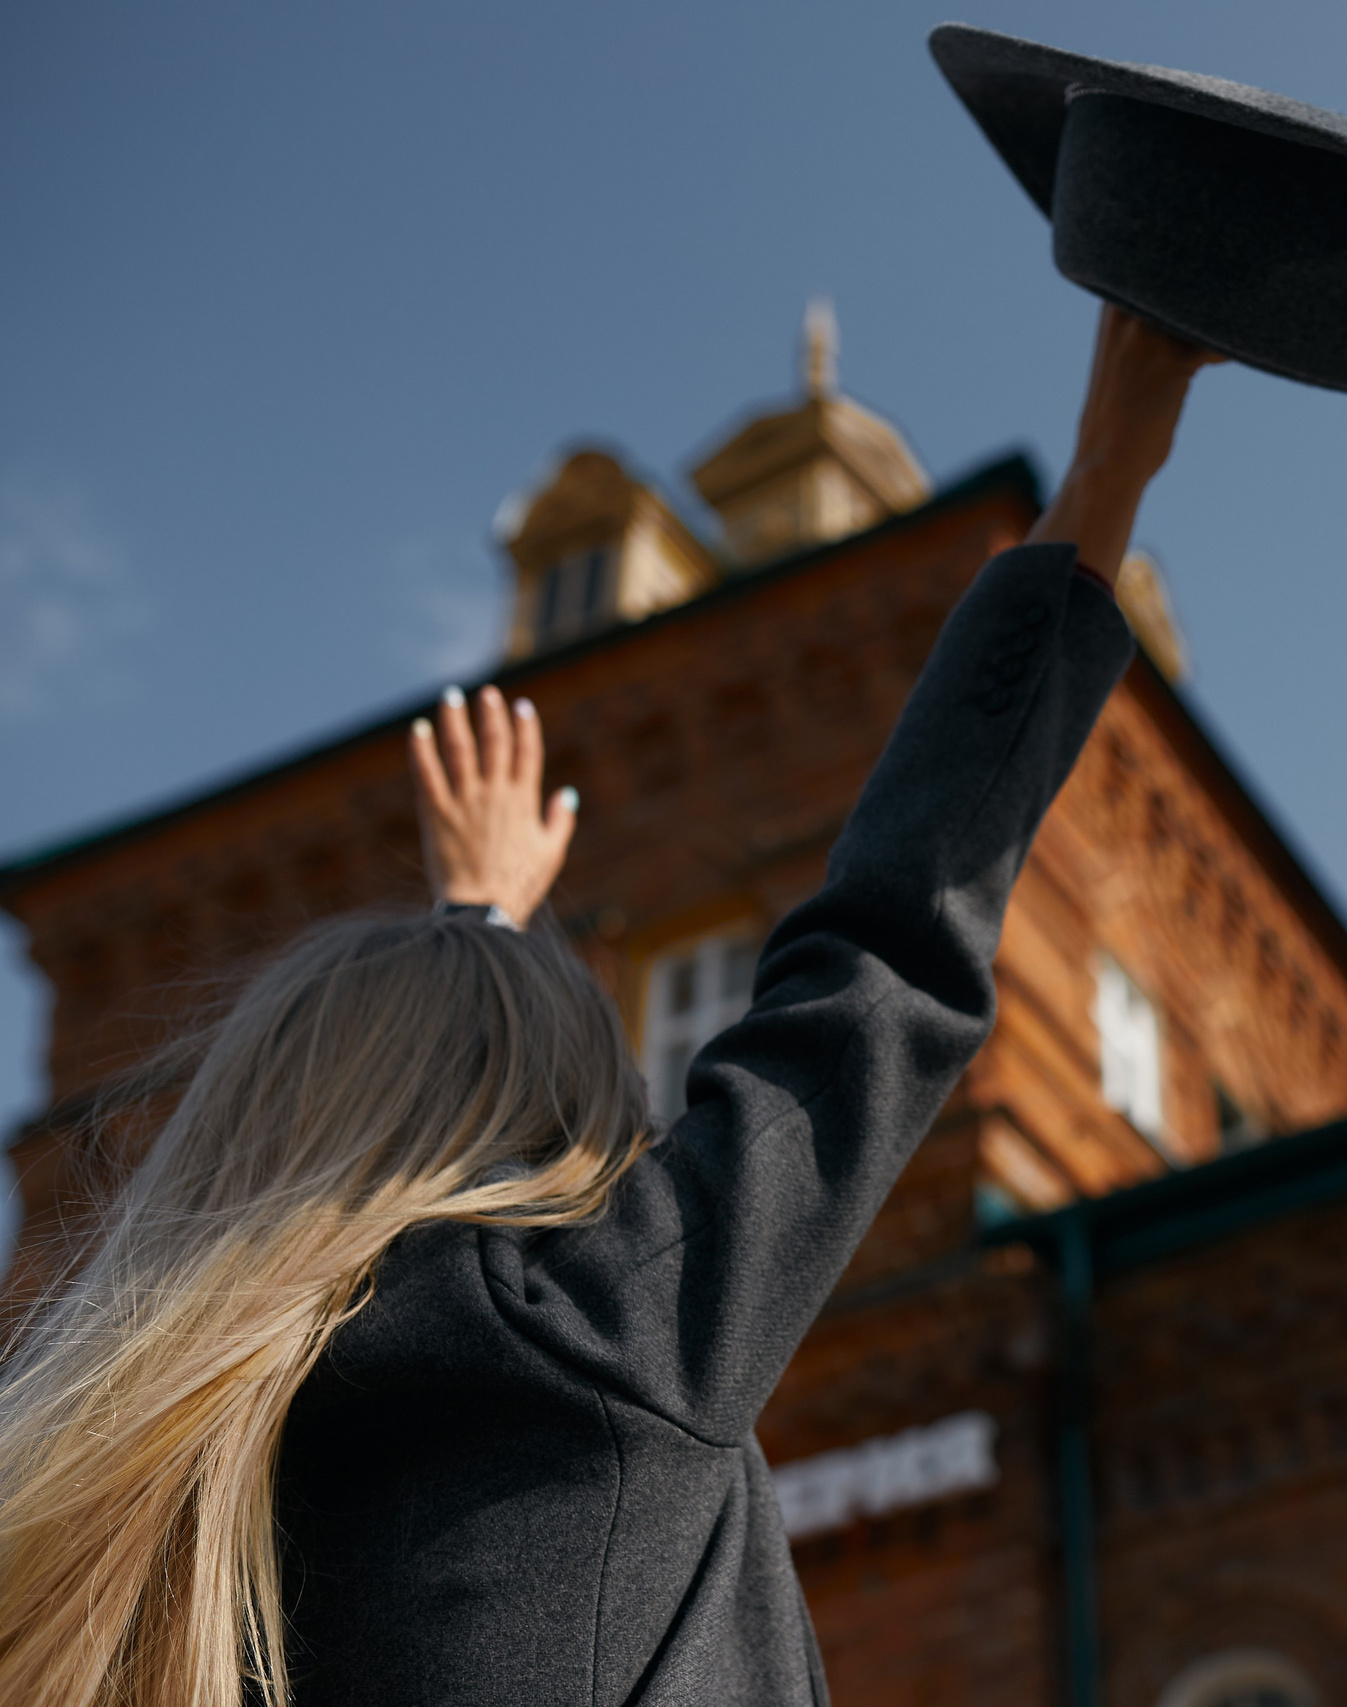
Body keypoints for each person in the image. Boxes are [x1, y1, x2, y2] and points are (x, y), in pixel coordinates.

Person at [0, 306, 1221, 1707]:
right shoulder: (605, 1328)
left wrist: (479, 934)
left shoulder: (192, 1493)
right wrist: (1112, 465)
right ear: (561, 1116)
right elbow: (898, 918)